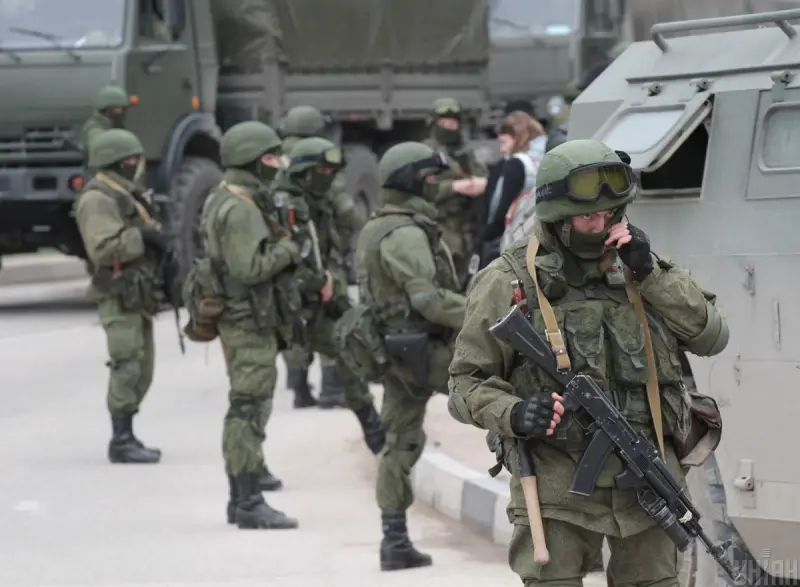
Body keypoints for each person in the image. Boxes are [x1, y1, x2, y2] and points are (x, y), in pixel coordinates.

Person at [448, 139, 729, 586]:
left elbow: (711, 336)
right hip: (556, 486)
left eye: (610, 214)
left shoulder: (640, 268)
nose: (601, 226)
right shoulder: (509, 280)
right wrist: (515, 412)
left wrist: (650, 274)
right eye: (587, 217)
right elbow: (465, 383)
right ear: (557, 219)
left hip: (646, 479)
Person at [356, 141, 466, 571]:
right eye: (431, 177)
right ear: (412, 181)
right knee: (504, 404)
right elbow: (427, 300)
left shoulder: (380, 225)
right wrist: (481, 310)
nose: (437, 184)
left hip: (398, 350)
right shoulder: (404, 232)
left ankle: (394, 539)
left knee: (399, 441)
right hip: (425, 349)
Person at [200, 120, 301, 529]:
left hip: (243, 316)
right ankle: (247, 500)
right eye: (271, 158)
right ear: (252, 161)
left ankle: (242, 495)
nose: (277, 164)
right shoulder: (241, 207)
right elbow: (250, 268)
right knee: (248, 405)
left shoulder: (224, 195)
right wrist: (288, 249)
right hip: (246, 319)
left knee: (250, 402)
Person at [272, 136, 385, 454]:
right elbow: (285, 262)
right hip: (284, 306)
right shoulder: (285, 204)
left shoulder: (316, 201)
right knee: (253, 392)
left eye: (331, 171)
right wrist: (318, 280)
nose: (328, 177)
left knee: (348, 346)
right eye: (322, 171)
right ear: (304, 172)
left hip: (313, 300)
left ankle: (375, 432)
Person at [73, 129, 166, 465]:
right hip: (117, 292)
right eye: (129, 160)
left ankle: (128, 432)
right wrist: (142, 237)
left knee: (143, 366)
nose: (135, 164)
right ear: (113, 162)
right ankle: (121, 439)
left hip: (136, 292)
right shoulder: (98, 199)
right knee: (127, 363)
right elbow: (103, 248)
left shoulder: (126, 192)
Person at [277, 105, 360, 409]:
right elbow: (347, 213)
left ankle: (299, 386)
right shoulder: (319, 158)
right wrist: (344, 243)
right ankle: (331, 388)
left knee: (297, 316)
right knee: (333, 315)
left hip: (290, 252)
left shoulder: (276, 160)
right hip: (323, 252)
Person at [423, 97, 488, 291]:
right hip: (439, 225)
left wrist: (478, 182)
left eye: (453, 123)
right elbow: (421, 189)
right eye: (444, 123)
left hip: (466, 226)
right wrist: (454, 187)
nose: (449, 127)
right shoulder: (425, 153)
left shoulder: (466, 153)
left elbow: (482, 177)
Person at [476, 111, 545, 270]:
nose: (502, 148)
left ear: (518, 137)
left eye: (504, 141)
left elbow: (500, 208)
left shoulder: (515, 164)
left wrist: (485, 237)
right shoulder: (537, 163)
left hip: (505, 240)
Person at [78, 85, 130, 171]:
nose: (120, 112)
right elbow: (100, 156)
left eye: (123, 109)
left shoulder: (118, 128)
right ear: (105, 109)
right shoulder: (94, 129)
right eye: (116, 109)